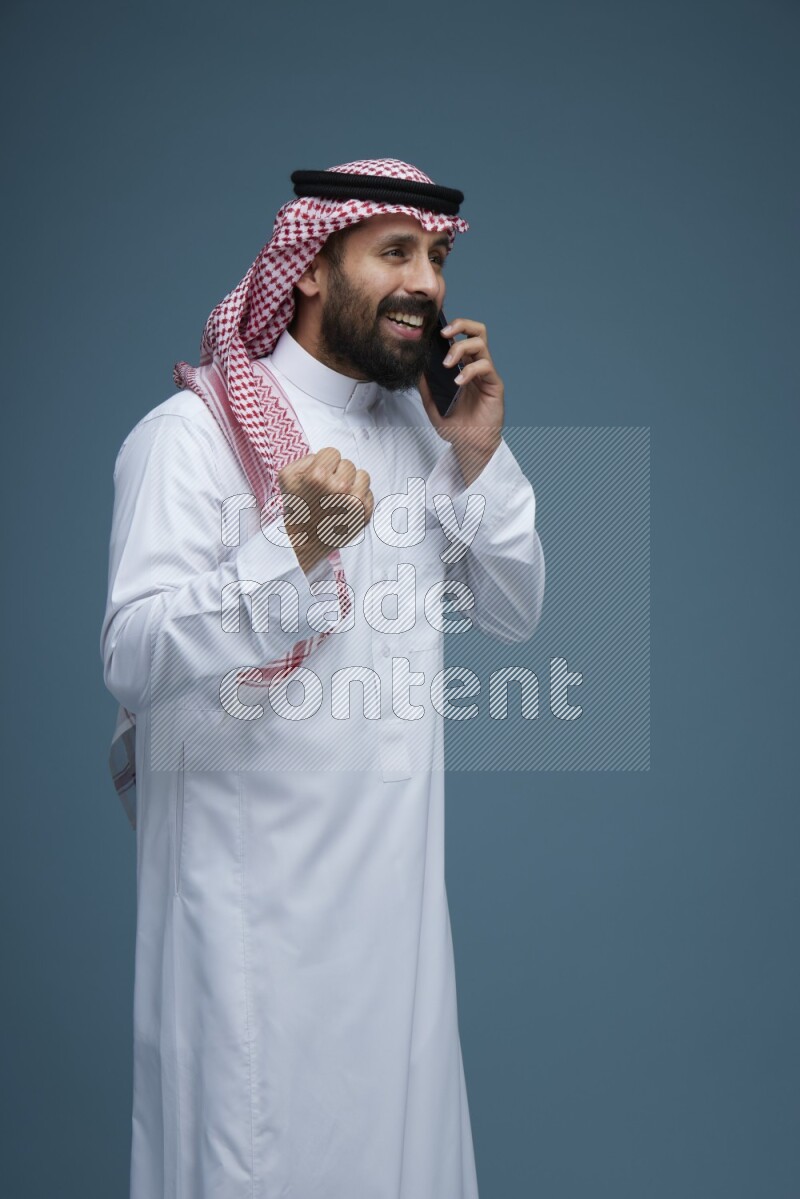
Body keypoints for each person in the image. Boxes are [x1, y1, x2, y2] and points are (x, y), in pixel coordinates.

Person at [100, 158, 545, 1199]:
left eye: (435, 258)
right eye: (393, 252)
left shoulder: (422, 442)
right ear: (305, 268)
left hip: (396, 930)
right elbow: (130, 650)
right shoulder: (190, 440)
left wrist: (481, 456)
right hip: (252, 921)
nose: (426, 284)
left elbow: (516, 612)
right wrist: (290, 547)